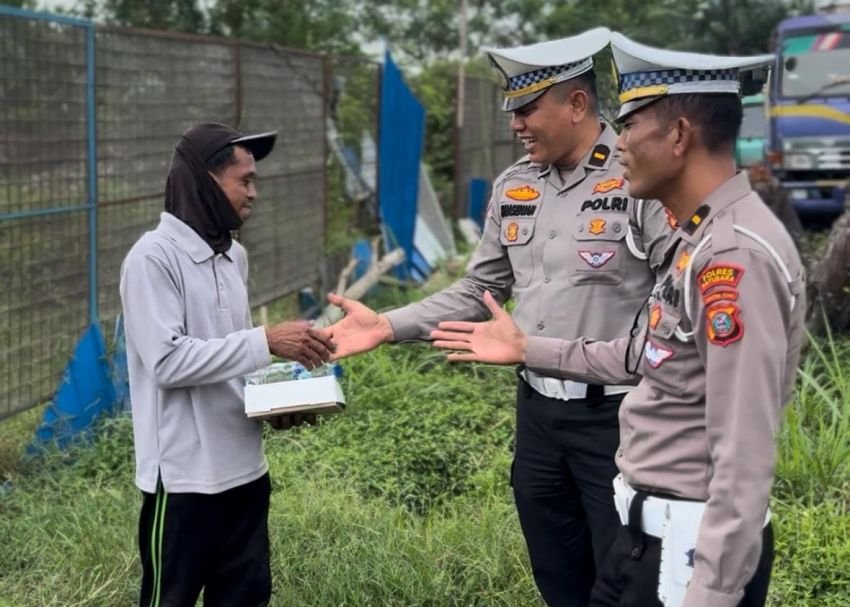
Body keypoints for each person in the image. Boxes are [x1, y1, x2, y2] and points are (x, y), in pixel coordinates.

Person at [430, 33, 806, 607]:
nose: (619, 141)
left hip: (688, 546)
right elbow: (639, 354)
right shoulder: (697, 242)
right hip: (644, 533)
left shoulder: (734, 259)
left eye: (630, 125)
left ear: (679, 136)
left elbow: (743, 456)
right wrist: (528, 350)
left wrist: (711, 593)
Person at [322, 28, 672, 606]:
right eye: (513, 111)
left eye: (528, 110)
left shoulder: (641, 180)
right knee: (557, 574)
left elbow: (677, 296)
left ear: (576, 104)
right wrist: (386, 325)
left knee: (627, 580)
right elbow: (480, 289)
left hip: (618, 420)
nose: (516, 124)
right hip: (538, 419)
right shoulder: (515, 186)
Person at [119, 122, 334, 606]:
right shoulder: (152, 259)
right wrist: (267, 340)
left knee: (245, 598)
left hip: (246, 472)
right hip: (183, 480)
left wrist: (272, 405)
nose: (253, 193)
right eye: (245, 180)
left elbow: (232, 357)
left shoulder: (233, 256)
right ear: (205, 181)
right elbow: (167, 361)